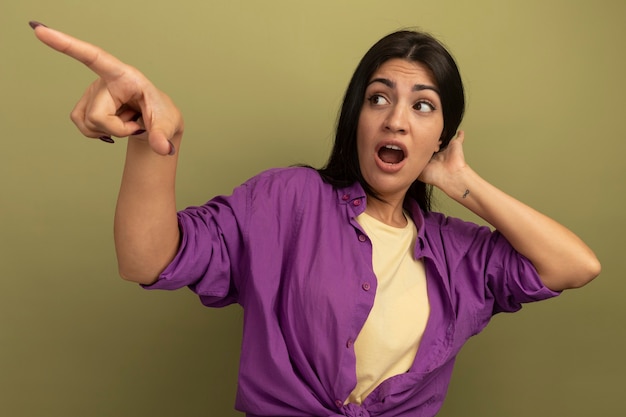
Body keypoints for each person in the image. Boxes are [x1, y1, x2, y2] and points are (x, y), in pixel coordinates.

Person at [30, 22, 600, 417]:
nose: (397, 120)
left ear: (443, 136)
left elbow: (576, 265)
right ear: (358, 115)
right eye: (380, 98)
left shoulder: (459, 257)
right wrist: (158, 137)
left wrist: (459, 182)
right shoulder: (289, 200)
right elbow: (145, 259)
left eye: (422, 105)